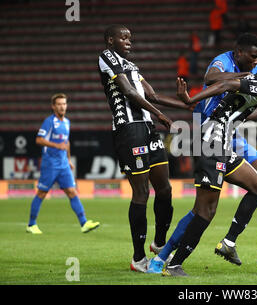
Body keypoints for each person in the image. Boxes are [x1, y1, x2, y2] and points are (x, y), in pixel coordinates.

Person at [147, 34, 257, 274]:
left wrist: (236, 113)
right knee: (205, 211)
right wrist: (191, 99)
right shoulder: (253, 80)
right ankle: (172, 263)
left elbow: (250, 107)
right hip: (211, 143)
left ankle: (227, 243)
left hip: (224, 143)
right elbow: (224, 84)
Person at [98, 24, 192, 273]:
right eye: (123, 37)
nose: (129, 41)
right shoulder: (107, 57)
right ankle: (138, 259)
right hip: (129, 130)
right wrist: (161, 115)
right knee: (141, 193)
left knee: (164, 189)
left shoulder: (133, 67)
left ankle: (159, 244)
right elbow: (128, 92)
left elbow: (153, 95)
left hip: (148, 128)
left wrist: (190, 105)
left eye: (130, 38)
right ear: (110, 40)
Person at [26, 93, 100, 234]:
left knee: (72, 192)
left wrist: (69, 159)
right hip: (50, 164)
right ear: (53, 106)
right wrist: (55, 145)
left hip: (63, 164)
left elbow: (66, 143)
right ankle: (31, 224)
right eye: (59, 104)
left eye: (64, 104)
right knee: (42, 193)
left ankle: (84, 223)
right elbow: (39, 140)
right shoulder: (49, 122)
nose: (62, 107)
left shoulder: (67, 122)